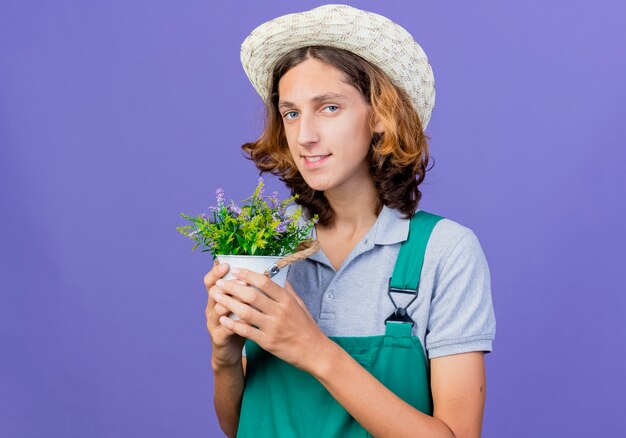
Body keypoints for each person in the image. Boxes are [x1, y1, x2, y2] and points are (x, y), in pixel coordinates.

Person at [203, 4, 496, 437]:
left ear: (379, 115)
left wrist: (314, 350)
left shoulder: (444, 252)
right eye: (292, 113)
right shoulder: (265, 248)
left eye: (330, 108)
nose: (305, 136)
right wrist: (223, 358)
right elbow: (239, 425)